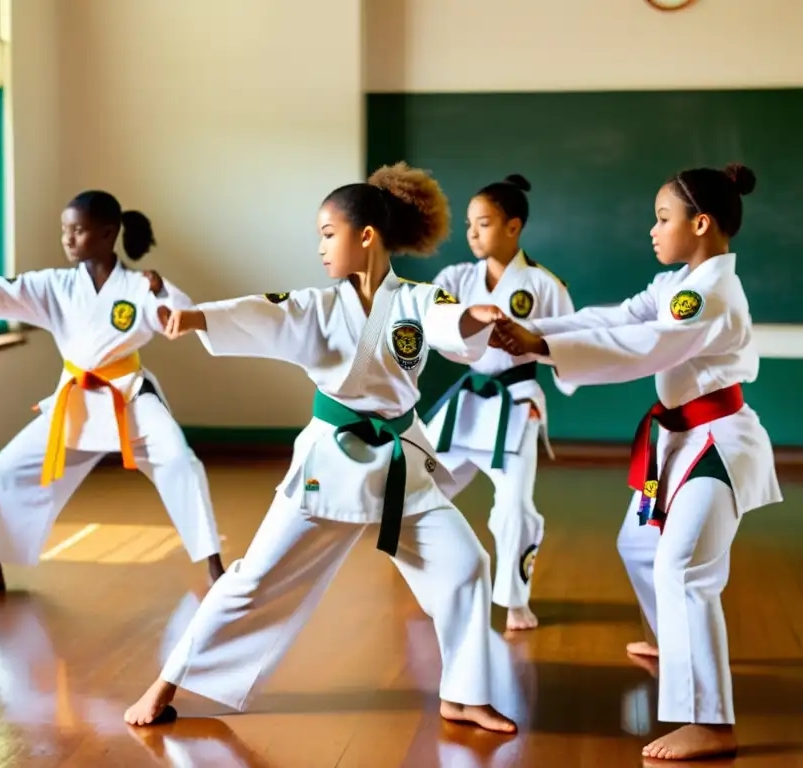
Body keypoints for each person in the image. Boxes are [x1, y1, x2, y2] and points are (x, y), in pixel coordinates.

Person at [124, 163, 517, 735]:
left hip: (402, 459)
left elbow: (445, 319)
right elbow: (263, 311)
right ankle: (166, 681)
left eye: (328, 234)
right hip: (329, 464)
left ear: (366, 236)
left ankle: (463, 694)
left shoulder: (418, 300)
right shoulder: (316, 305)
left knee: (464, 563)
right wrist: (198, 315)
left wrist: (473, 316)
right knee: (253, 579)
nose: (320, 247)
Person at [491, 163, 782, 761]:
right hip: (678, 443)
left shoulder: (709, 292)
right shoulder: (681, 282)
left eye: (663, 218)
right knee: (640, 545)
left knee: (684, 569)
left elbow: (645, 344)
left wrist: (540, 346)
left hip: (717, 445)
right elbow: (617, 318)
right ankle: (676, 646)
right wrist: (533, 328)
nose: (652, 229)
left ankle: (710, 722)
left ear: (700, 224)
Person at [0, 191, 226, 593]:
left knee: (181, 462)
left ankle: (214, 565)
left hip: (128, 396)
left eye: (78, 231)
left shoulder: (137, 285)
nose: (67, 239)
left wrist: (162, 289)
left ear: (107, 234)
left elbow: (175, 315)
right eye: (65, 230)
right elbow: (8, 290)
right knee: (7, 469)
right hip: (76, 400)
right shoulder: (55, 285)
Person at [423, 174, 576, 631]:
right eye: (469, 224)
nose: (472, 233)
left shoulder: (543, 285)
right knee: (416, 487)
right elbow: (431, 321)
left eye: (483, 223)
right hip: (468, 402)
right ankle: (437, 584)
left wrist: (542, 361)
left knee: (512, 506)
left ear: (513, 226)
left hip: (516, 402)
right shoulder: (454, 278)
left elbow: (573, 341)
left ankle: (514, 600)